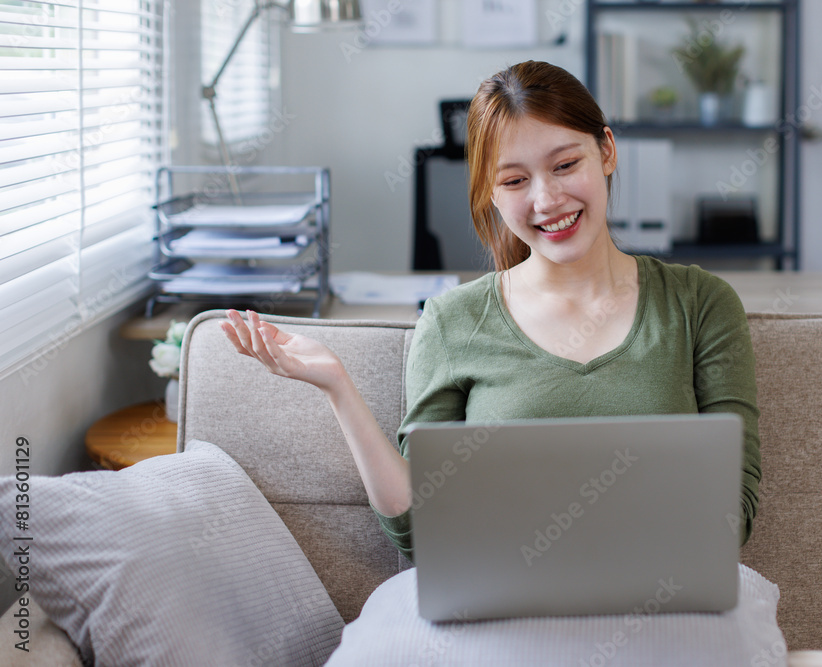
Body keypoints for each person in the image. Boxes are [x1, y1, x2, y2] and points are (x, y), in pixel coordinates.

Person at [220, 60, 761, 563]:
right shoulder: (452, 322)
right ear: (490, 195)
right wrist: (337, 385)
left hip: (662, 603)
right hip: (505, 621)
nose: (547, 199)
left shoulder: (700, 305)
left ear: (608, 152)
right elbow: (416, 529)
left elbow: (729, 519)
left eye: (566, 164)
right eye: (515, 180)